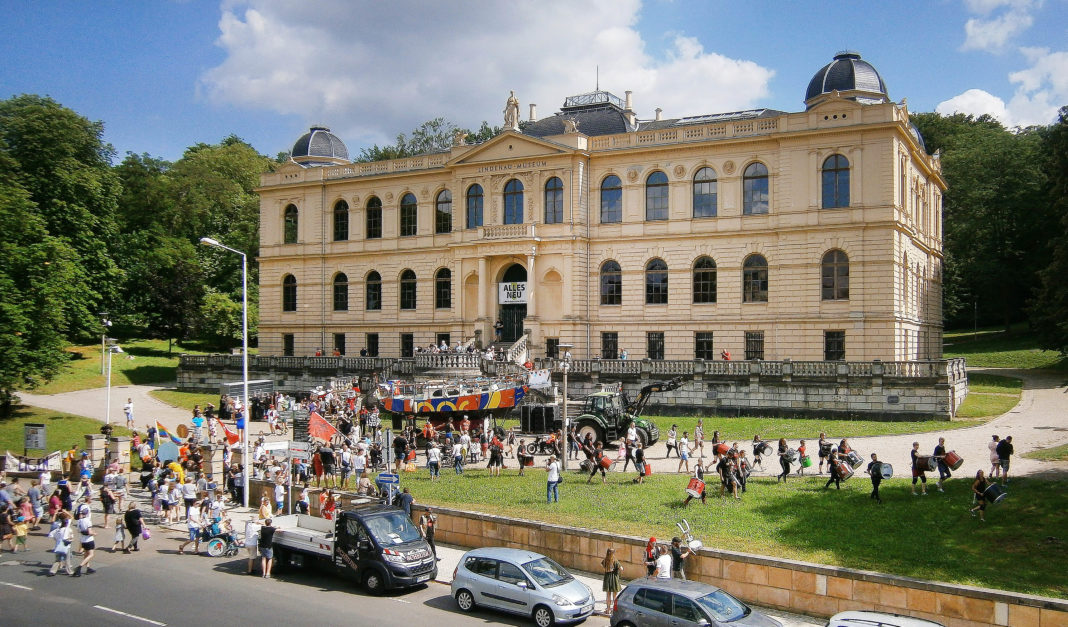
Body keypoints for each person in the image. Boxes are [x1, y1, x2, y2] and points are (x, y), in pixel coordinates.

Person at [73, 506, 96, 576]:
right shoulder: (88, 521)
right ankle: (79, 566)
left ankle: (88, 567)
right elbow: (89, 532)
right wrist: (94, 533)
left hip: (83, 540)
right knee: (91, 554)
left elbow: (78, 530)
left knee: (86, 554)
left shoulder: (79, 521)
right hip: (89, 539)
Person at [601, 548, 622, 612]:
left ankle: (608, 609)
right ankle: (614, 609)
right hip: (614, 579)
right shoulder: (615, 561)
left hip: (607, 578)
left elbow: (603, 567)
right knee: (615, 595)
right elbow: (621, 568)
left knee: (608, 595)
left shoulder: (605, 561)